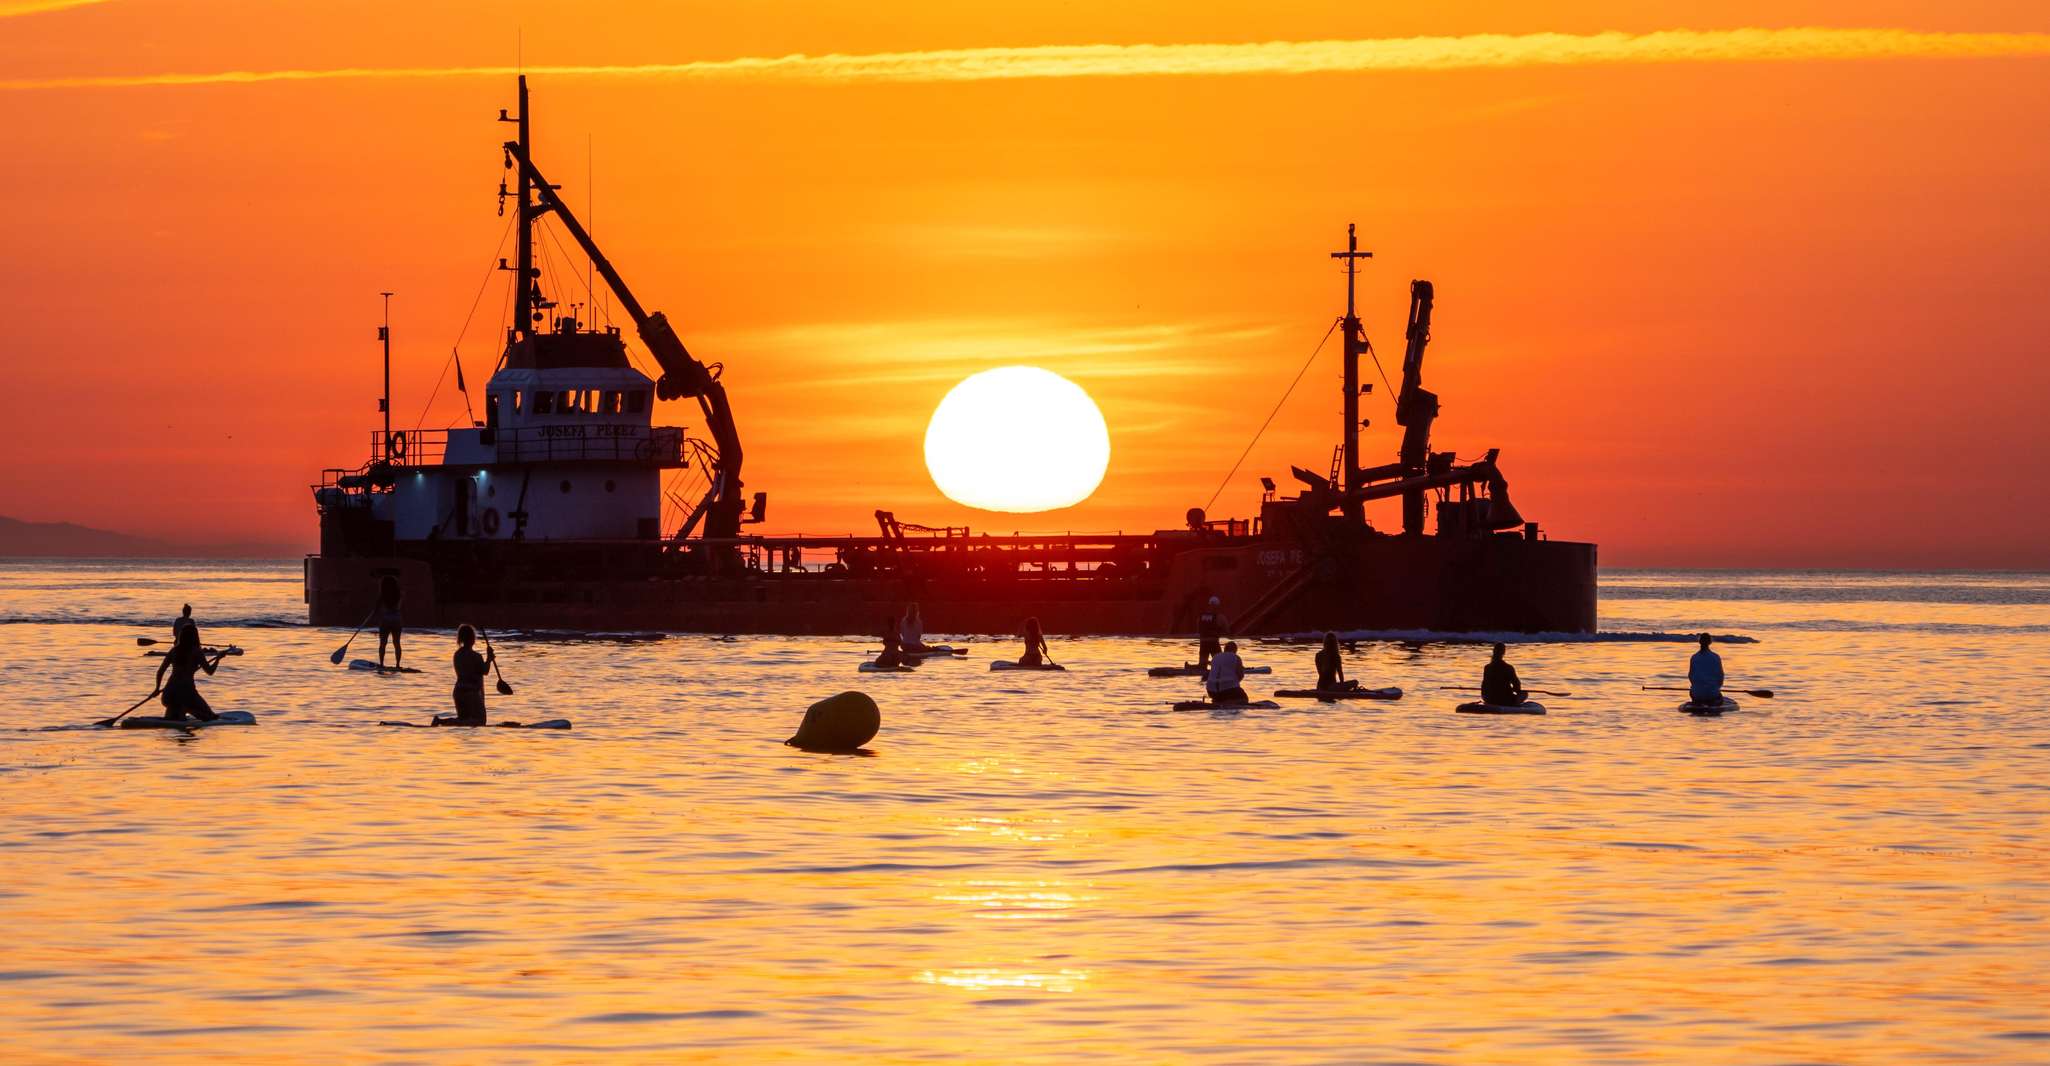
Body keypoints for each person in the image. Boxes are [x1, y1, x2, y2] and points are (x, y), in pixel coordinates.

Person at [153, 623, 225, 722]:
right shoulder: (197, 652)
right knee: (211, 717)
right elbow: (210, 671)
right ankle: (185, 710)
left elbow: (160, 671)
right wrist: (218, 659)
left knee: (174, 710)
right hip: (187, 694)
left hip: (168, 695)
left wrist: (157, 689)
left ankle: (177, 713)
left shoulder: (174, 651)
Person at [434, 624, 493, 727]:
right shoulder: (476, 656)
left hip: (458, 691)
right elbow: (485, 671)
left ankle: (441, 721)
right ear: (472, 639)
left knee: (463, 720)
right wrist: (489, 659)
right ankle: (441, 722)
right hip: (471, 692)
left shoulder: (457, 655)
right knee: (479, 721)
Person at [1481, 642, 1527, 706]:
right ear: (1503, 652)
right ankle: (1515, 704)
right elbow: (1516, 685)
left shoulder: (1487, 667)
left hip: (1489, 698)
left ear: (1493, 651)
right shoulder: (1508, 667)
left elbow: (1484, 685)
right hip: (1505, 699)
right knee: (1524, 694)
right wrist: (1517, 691)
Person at [376, 574, 404, 671]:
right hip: (397, 619)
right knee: (397, 643)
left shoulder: (382, 595)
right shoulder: (399, 594)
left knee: (383, 643)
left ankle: (381, 664)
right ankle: (397, 665)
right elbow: (399, 606)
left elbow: (377, 609)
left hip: (386, 619)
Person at [1206, 639, 1249, 704]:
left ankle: (1218, 700)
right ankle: (1228, 702)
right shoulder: (1236, 657)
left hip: (1211, 691)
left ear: (1224, 649)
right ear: (1235, 650)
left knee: (1223, 693)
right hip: (1228, 690)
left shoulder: (1215, 657)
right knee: (1244, 699)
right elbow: (1240, 675)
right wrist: (1234, 683)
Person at [1689, 633, 1724, 706]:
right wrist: (1716, 688)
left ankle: (1699, 701)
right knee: (1719, 697)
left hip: (1697, 694)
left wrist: (1696, 686)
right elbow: (1720, 676)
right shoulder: (1715, 657)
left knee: (1695, 692)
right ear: (1710, 642)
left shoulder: (1694, 657)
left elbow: (1691, 676)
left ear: (1699, 642)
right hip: (1712, 693)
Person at [1196, 596, 1228, 670]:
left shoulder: (1200, 617)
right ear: (1217, 606)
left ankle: (1199, 668)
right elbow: (1227, 631)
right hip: (1213, 643)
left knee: (1202, 667)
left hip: (1203, 643)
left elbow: (1198, 630)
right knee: (1220, 666)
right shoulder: (1220, 617)